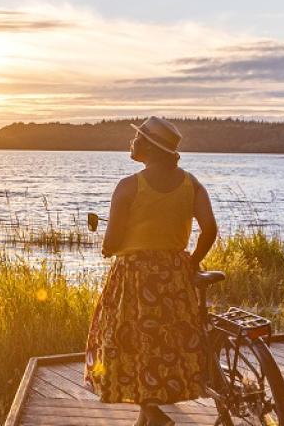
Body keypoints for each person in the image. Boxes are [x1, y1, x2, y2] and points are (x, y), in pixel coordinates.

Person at [85, 116, 218, 425]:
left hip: (135, 277)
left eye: (138, 138)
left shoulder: (129, 187)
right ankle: (149, 413)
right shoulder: (191, 184)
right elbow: (209, 229)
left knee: (133, 343)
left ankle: (151, 414)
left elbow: (111, 243)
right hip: (174, 276)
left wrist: (112, 247)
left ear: (150, 147)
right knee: (164, 344)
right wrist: (192, 261)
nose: (132, 142)